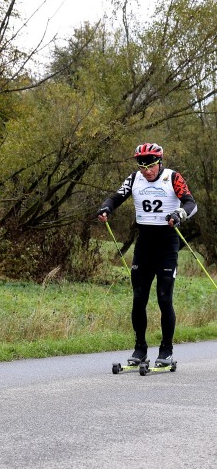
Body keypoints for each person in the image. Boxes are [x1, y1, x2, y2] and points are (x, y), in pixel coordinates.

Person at [97, 143, 197, 366]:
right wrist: (106, 208)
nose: (146, 171)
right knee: (138, 299)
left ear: (159, 163)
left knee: (164, 298)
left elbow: (191, 203)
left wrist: (179, 213)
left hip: (167, 244)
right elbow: (116, 197)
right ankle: (140, 349)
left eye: (150, 166)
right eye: (142, 167)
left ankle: (166, 351)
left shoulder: (173, 178)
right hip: (144, 244)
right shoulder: (134, 179)